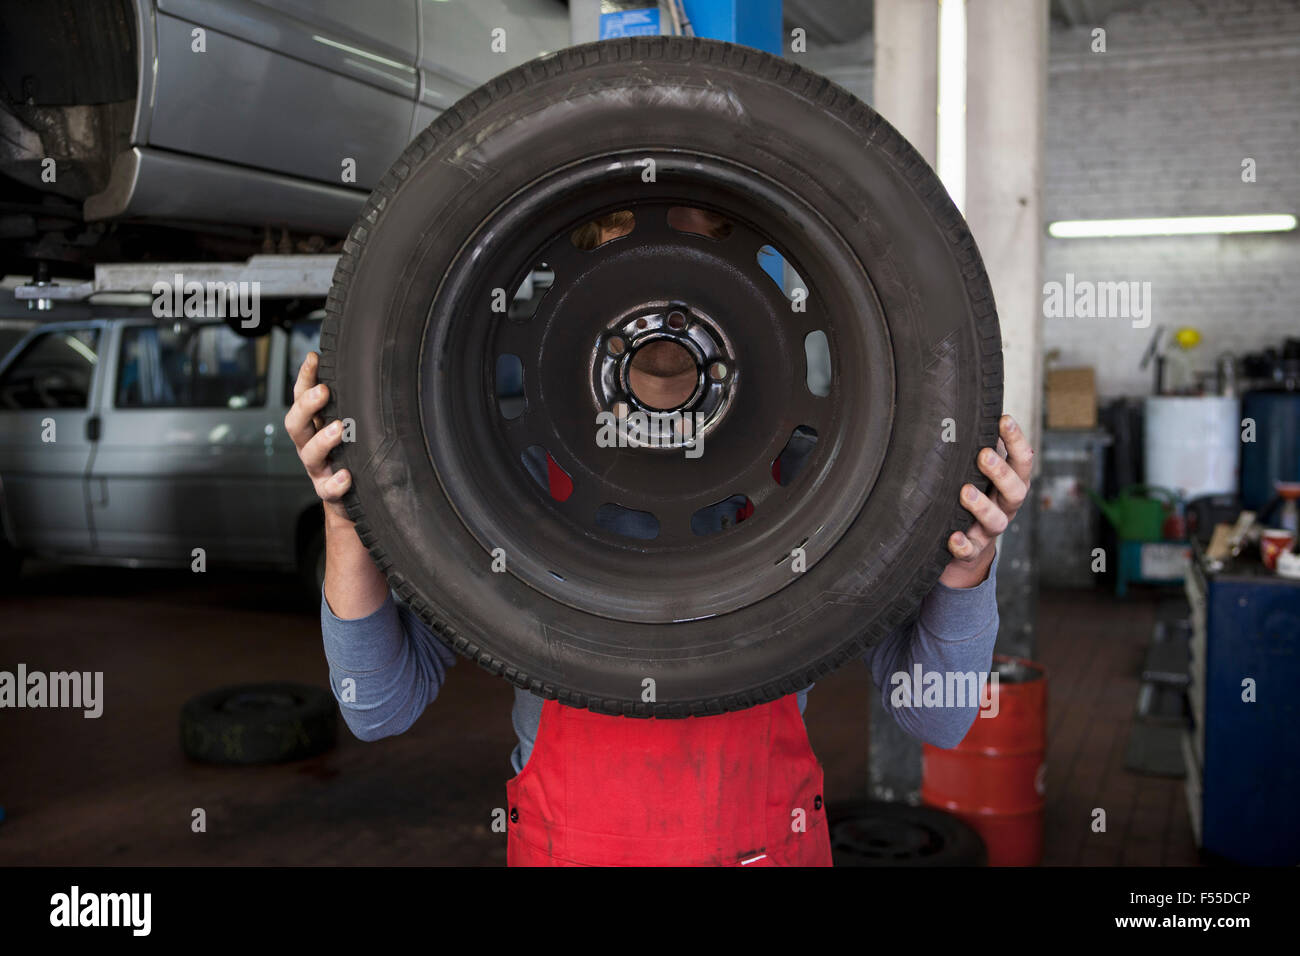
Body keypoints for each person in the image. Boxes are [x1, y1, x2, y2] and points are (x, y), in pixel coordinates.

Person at [285, 213, 1033, 867]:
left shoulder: (818, 480)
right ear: (584, 276)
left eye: (695, 243)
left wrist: (968, 563)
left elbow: (939, 715)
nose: (664, 287)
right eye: (631, 245)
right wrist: (349, 521)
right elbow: (376, 708)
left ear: (743, 281)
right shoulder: (510, 483)